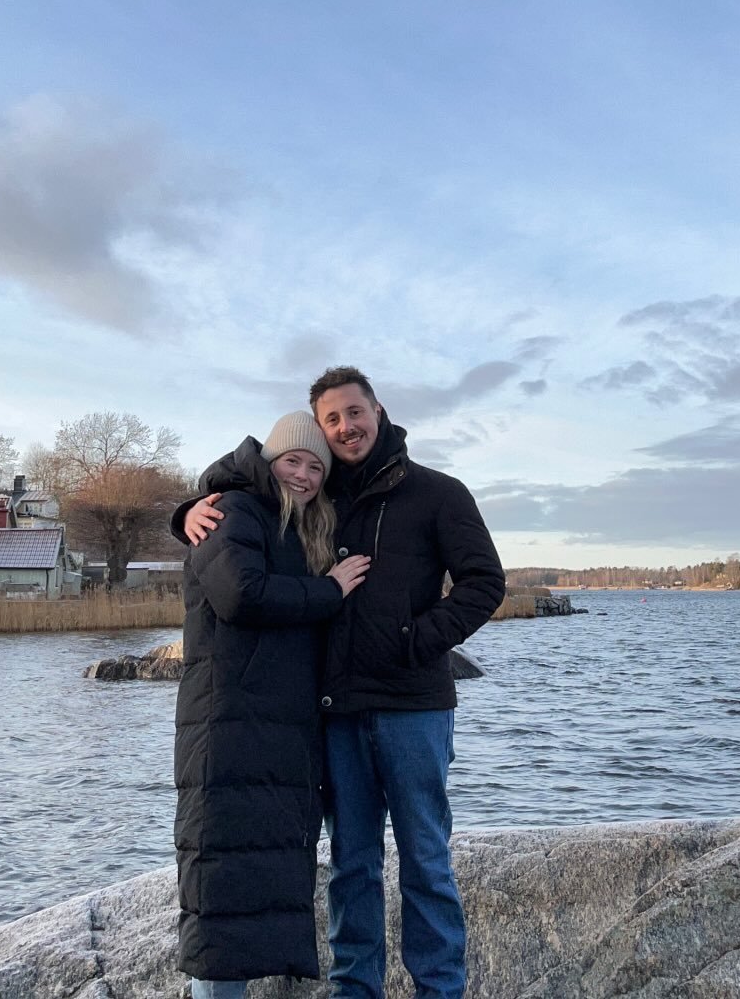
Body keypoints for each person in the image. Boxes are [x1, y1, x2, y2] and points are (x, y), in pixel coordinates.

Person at [180, 366, 505, 999]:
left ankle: (440, 990)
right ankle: (356, 990)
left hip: (413, 708)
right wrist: (188, 510)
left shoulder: (438, 493)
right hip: (337, 714)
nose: (346, 427)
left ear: (378, 412)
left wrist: (416, 641)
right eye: (331, 419)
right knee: (351, 865)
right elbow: (245, 512)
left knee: (426, 860)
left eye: (354, 412)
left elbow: (485, 583)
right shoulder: (317, 497)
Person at [175, 410, 370, 999]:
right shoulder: (234, 509)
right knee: (220, 889)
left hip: (272, 728)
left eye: (316, 467)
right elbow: (240, 594)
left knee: (251, 882)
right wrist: (329, 589)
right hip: (229, 725)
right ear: (268, 461)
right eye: (292, 461)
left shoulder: (295, 526)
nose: (304, 475)